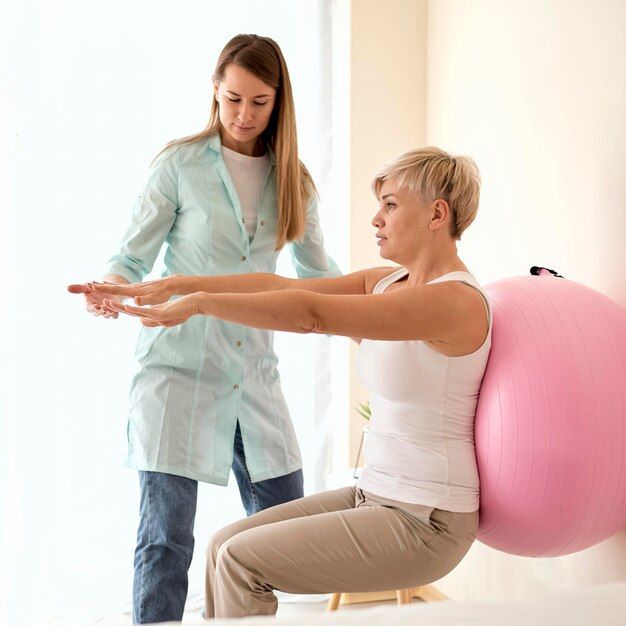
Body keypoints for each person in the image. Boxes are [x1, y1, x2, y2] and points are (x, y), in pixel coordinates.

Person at [77, 146, 491, 619]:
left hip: (428, 520)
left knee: (239, 562)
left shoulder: (454, 302)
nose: (377, 218)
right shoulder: (388, 283)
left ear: (438, 213)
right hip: (376, 494)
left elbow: (310, 315)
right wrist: (179, 286)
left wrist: (198, 306)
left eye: (391, 205)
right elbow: (279, 288)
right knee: (222, 545)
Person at [68, 34, 339, 624]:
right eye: (233, 98)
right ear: (214, 89)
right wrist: (109, 288)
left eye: (259, 102)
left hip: (253, 378)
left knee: (288, 529)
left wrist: (389, 300)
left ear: (279, 102)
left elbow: (322, 277)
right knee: (166, 542)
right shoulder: (178, 165)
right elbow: (132, 259)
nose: (243, 115)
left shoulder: (295, 180)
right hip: (177, 374)